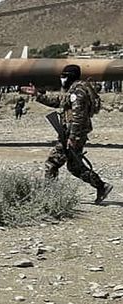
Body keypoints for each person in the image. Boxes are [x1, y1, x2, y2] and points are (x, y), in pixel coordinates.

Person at [28, 65, 113, 204]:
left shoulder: (78, 91)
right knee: (74, 167)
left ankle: (50, 197)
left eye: (64, 76)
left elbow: (78, 116)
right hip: (71, 133)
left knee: (52, 163)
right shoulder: (74, 89)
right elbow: (59, 101)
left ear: (71, 76)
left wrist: (72, 137)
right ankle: (101, 186)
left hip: (73, 134)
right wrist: (38, 95)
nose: (62, 79)